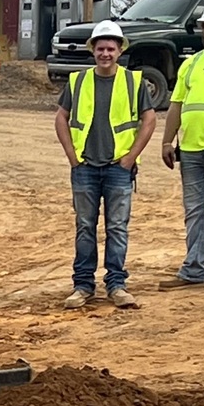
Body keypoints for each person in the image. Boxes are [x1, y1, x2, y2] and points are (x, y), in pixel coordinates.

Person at [54, 19, 156, 309]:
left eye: (111, 48)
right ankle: (83, 285)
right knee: (85, 227)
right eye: (101, 48)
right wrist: (72, 157)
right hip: (85, 167)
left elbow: (149, 119)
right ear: (93, 51)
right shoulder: (78, 81)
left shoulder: (133, 81)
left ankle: (116, 285)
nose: (106, 54)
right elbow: (61, 117)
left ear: (120, 50)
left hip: (118, 169)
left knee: (117, 228)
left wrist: (130, 158)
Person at [158, 0, 204, 291]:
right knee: (195, 210)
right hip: (190, 149)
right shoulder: (192, 63)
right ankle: (193, 269)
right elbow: (176, 105)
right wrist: (166, 141)